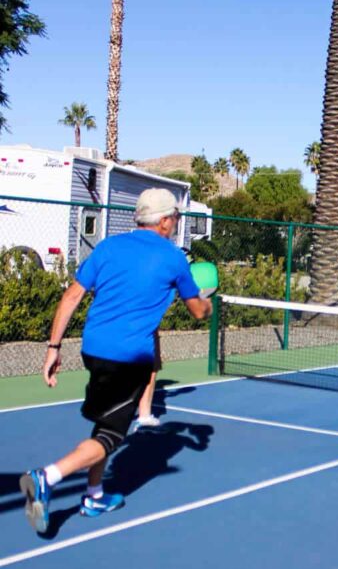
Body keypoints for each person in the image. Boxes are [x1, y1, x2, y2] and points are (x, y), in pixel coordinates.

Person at [19, 188, 212, 534]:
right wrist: (208, 301)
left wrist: (53, 347)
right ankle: (46, 477)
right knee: (110, 435)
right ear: (166, 221)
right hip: (129, 357)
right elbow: (198, 312)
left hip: (93, 349)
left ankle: (94, 496)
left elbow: (71, 296)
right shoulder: (173, 258)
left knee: (106, 423)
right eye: (176, 218)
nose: (176, 223)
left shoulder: (107, 247)